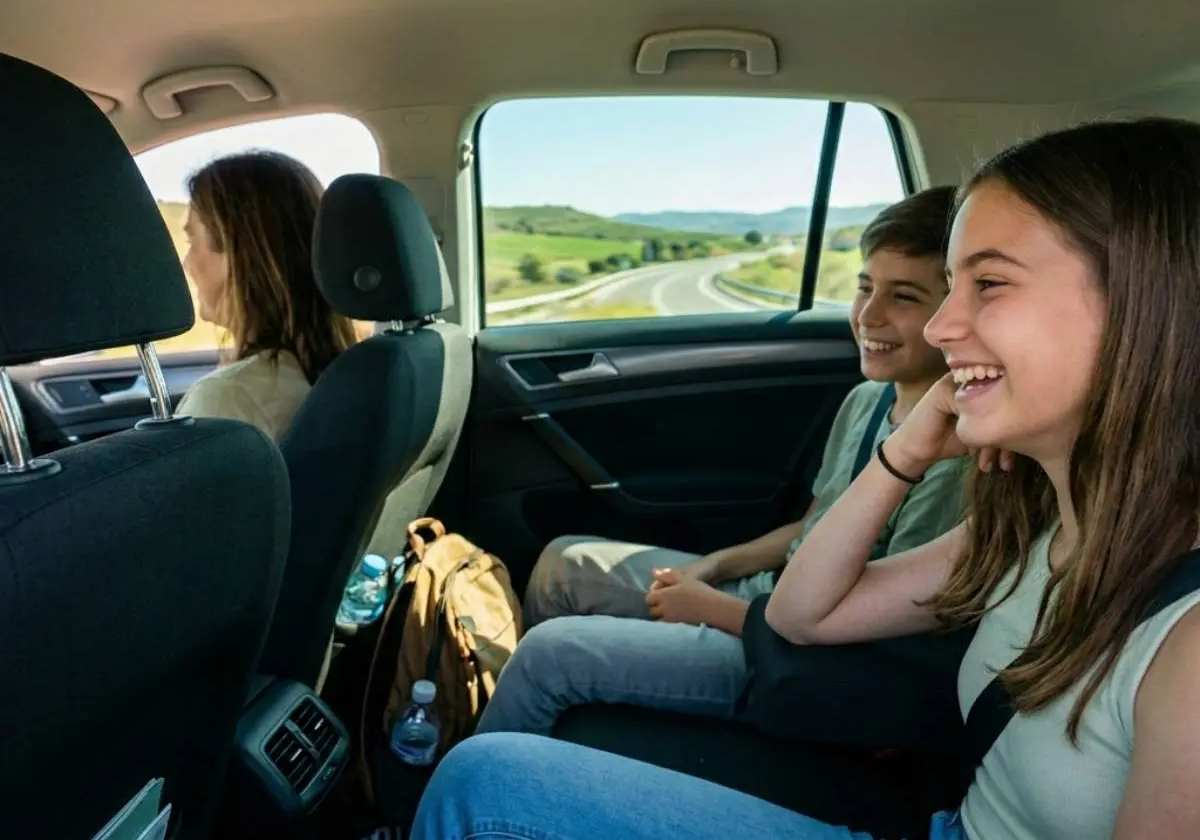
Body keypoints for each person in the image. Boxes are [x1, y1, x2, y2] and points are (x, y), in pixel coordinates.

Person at [409, 117, 1200, 840]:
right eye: (950, 285)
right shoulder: (1033, 530)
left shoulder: (1185, 647)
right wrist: (907, 450)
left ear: (1146, 307)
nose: (939, 328)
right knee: (483, 776)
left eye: (987, 284)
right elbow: (802, 614)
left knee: (483, 784)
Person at [473, 187, 969, 736]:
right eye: (864, 287)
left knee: (548, 655)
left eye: (903, 297)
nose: (868, 314)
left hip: (793, 657)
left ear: (956, 316)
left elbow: (880, 631)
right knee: (563, 563)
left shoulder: (953, 460)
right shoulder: (867, 399)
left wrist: (711, 609)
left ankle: (478, 775)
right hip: (766, 600)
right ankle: (544, 727)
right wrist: (715, 566)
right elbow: (813, 528)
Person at [175, 150, 358, 440]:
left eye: (192, 241)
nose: (187, 263)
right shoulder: (346, 372)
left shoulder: (230, 398)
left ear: (239, 256)